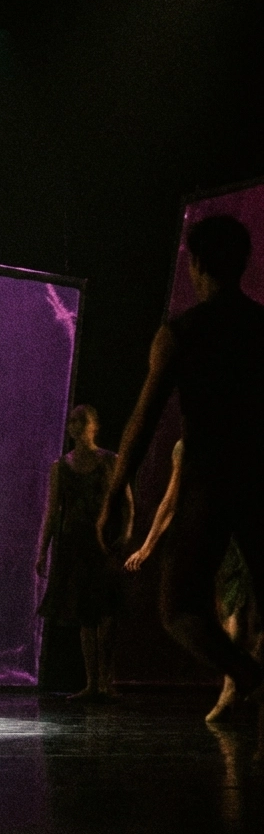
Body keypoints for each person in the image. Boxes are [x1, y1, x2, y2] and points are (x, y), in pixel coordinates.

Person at [99, 214, 264, 708]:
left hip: (209, 480)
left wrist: (116, 493)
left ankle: (246, 673)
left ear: (195, 264)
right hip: (257, 478)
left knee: (178, 608)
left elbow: (143, 420)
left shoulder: (183, 332)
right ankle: (248, 673)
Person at [125, 439, 260, 722]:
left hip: (232, 526)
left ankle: (237, 689)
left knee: (241, 611)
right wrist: (147, 546)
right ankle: (235, 688)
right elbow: (171, 501)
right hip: (223, 532)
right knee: (229, 609)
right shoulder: (187, 446)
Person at [36, 404, 132, 699]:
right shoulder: (61, 467)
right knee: (84, 615)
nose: (75, 425)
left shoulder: (110, 461)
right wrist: (42, 551)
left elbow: (127, 501)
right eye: (73, 421)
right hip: (73, 545)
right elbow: (53, 511)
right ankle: (92, 683)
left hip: (103, 543)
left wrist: (127, 533)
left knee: (106, 614)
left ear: (95, 425)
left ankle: (107, 681)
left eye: (82, 420)